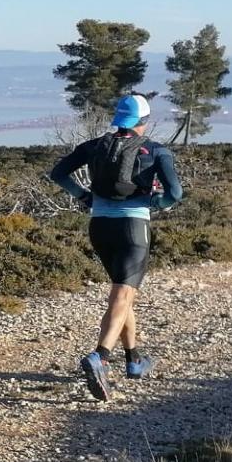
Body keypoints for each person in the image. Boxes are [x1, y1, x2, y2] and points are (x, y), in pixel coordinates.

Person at [47, 94, 184, 400]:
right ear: (144, 121)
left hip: (99, 228)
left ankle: (134, 360)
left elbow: (57, 173)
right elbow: (175, 193)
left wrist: (83, 196)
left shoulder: (95, 146)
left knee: (123, 294)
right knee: (122, 294)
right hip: (133, 229)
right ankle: (100, 356)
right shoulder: (156, 151)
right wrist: (157, 203)